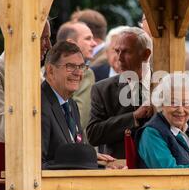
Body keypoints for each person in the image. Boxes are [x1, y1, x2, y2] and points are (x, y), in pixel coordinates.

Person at [0, 20, 52, 190]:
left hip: (33, 172)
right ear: (26, 37)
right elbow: (0, 126)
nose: (49, 45)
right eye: (43, 38)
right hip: (1, 171)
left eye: (49, 38)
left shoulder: (40, 79)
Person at [41, 41, 123, 169]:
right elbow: (38, 164)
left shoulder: (71, 104)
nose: (78, 73)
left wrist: (99, 164)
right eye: (70, 66)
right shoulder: (39, 105)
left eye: (81, 66)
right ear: (51, 70)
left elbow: (72, 154)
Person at [87, 27, 154, 159]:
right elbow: (93, 134)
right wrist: (133, 117)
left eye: (126, 52)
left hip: (160, 169)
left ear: (146, 54)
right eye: (117, 51)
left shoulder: (165, 84)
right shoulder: (103, 89)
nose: (119, 58)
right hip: (119, 170)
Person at [56, 21, 97, 133]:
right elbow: (79, 118)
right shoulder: (85, 73)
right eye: (88, 39)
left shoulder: (43, 72)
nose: (94, 44)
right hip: (75, 146)